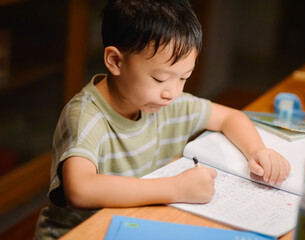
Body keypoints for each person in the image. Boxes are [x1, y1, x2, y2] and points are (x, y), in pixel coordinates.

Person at [35, 0, 290, 239]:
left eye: (183, 78)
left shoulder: (165, 102)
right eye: (159, 78)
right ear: (115, 60)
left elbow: (230, 117)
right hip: (81, 232)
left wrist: (258, 151)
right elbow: (81, 189)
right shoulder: (86, 115)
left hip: (137, 221)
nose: (172, 92)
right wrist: (175, 188)